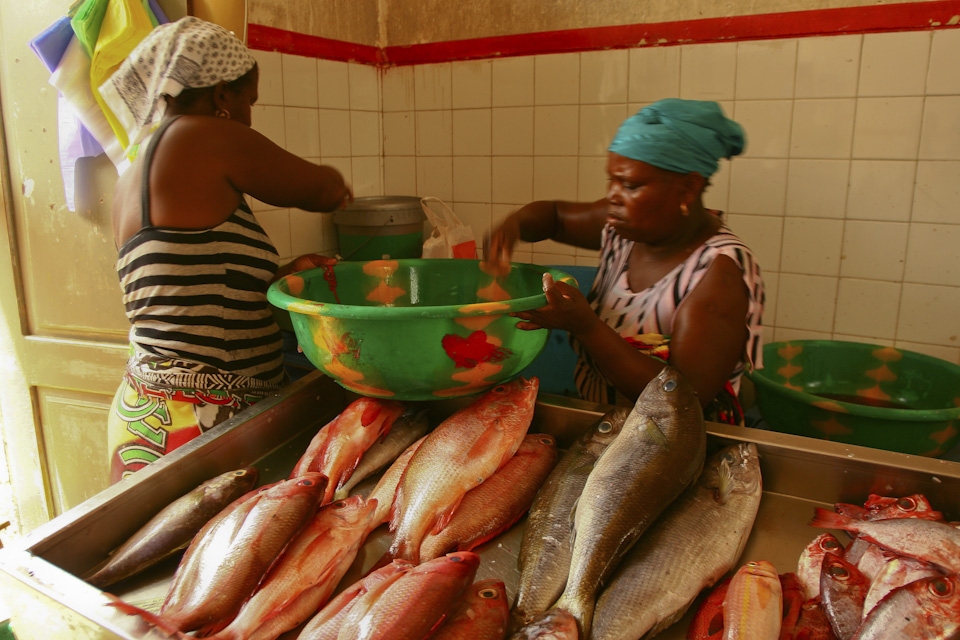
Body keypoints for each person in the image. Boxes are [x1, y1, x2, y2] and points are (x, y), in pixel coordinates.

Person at [102, 17, 353, 483]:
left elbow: (186, 288)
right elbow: (322, 190)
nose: (249, 116)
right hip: (204, 424)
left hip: (148, 415)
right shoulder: (200, 134)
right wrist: (341, 189)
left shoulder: (131, 175)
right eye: (248, 101)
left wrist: (279, 273)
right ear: (221, 95)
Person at [484, 98, 764, 425]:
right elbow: (555, 217)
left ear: (688, 188)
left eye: (630, 185)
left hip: (677, 447)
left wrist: (585, 326)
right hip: (611, 427)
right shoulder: (629, 226)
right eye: (612, 180)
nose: (614, 195)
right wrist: (512, 227)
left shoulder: (718, 273)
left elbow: (683, 401)